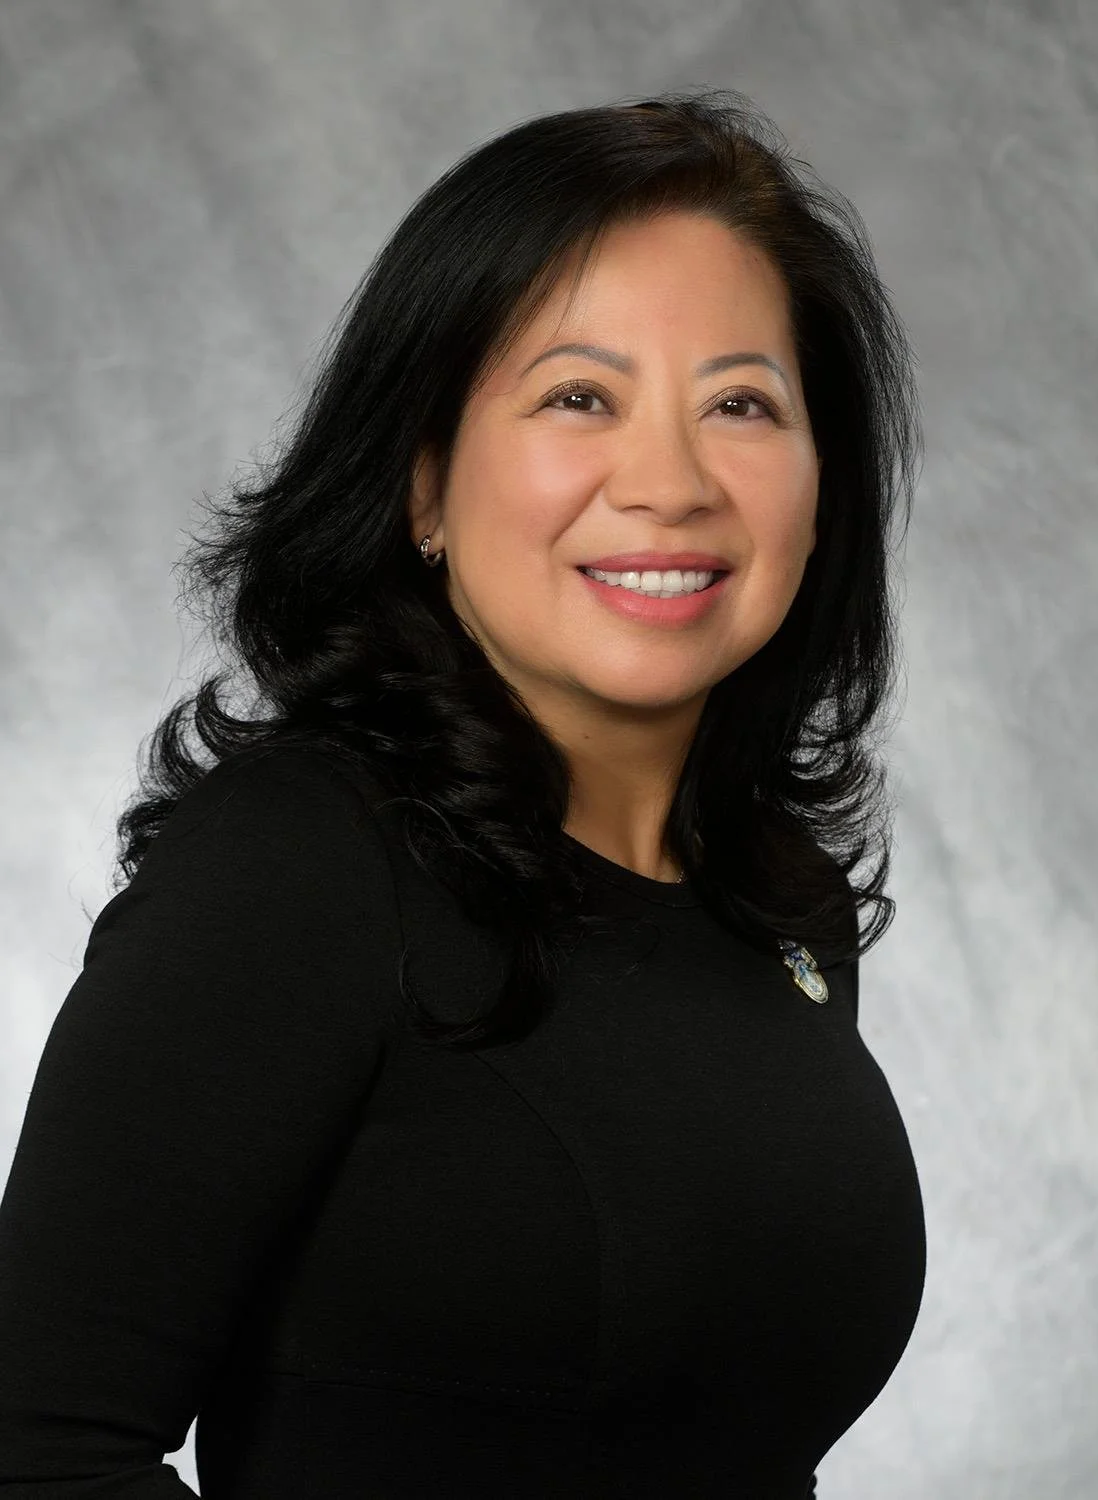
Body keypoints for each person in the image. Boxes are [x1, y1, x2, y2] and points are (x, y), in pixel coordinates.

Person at [0, 88, 926, 1497]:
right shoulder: (304, 862)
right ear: (423, 484)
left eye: (741, 403)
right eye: (578, 397)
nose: (670, 482)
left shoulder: (781, 910)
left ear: (822, 485)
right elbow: (37, 1450)